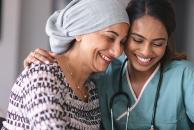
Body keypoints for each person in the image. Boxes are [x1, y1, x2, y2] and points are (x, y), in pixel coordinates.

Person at [23, 0, 194, 129]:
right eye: (137, 40)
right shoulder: (104, 73)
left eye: (158, 43)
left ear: (168, 42)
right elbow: (70, 72)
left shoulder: (186, 77)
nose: (146, 52)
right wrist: (44, 64)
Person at [2, 0, 129, 129]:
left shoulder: (91, 91)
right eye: (110, 38)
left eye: (122, 42)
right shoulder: (43, 75)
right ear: (80, 31)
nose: (118, 51)